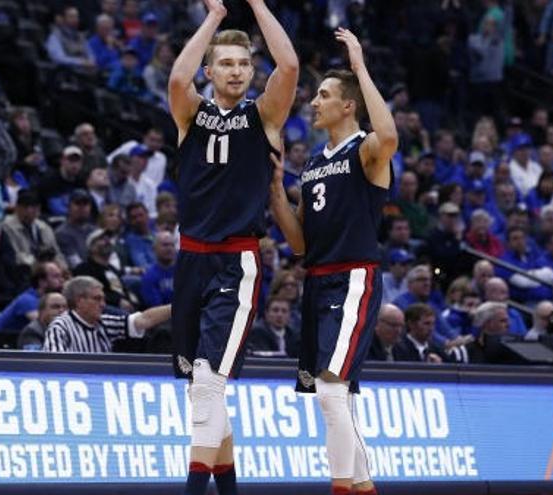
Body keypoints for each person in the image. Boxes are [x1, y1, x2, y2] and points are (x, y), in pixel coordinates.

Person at [168, 0, 298, 493]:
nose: (237, 70)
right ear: (211, 71)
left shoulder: (264, 117)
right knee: (203, 393)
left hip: (235, 261)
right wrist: (215, 19)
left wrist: (259, 5)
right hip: (190, 259)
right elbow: (178, 81)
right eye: (226, 63)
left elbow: (288, 66)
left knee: (207, 383)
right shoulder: (191, 112)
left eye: (244, 63)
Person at [269, 27, 395, 495]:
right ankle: (361, 488)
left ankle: (340, 488)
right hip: (317, 281)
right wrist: (277, 191)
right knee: (339, 399)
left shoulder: (365, 149)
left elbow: (389, 134)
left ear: (348, 105)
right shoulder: (315, 164)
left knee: (329, 389)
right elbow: (300, 243)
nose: (313, 101)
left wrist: (360, 67)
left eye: (324, 95)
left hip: (353, 278)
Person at [43, 275, 170, 352]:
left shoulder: (104, 323)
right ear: (80, 301)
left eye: (103, 299)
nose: (103, 304)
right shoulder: (60, 327)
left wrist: (179, 307)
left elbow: (144, 320)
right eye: (97, 299)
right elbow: (54, 365)